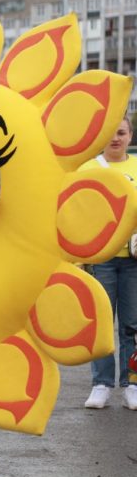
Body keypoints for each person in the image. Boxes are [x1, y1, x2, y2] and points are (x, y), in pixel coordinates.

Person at [83, 116, 137, 410]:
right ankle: (101, 385)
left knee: (132, 326)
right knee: (101, 325)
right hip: (99, 259)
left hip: (133, 261)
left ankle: (132, 384)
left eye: (121, 133)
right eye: (110, 133)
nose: (116, 138)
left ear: (130, 136)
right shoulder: (87, 169)